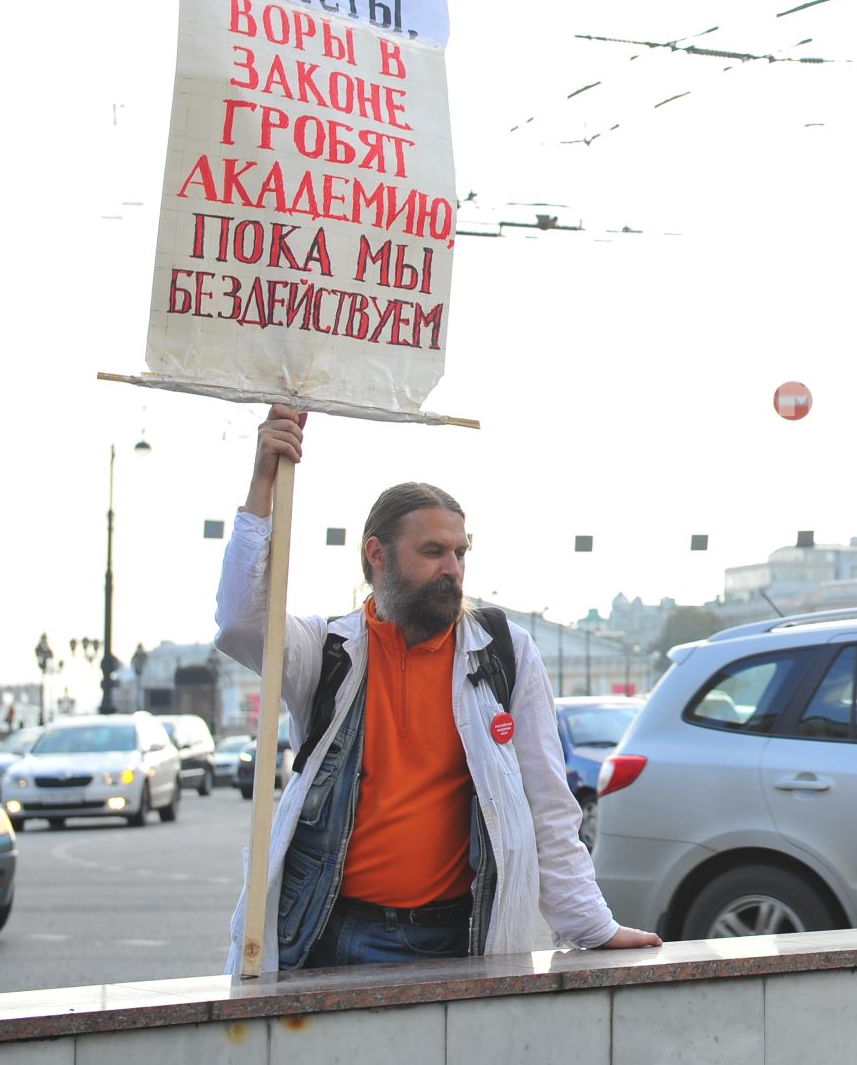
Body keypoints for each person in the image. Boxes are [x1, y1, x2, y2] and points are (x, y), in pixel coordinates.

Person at [214, 405, 660, 973]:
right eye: (433, 552)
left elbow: (548, 801)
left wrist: (591, 927)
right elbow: (239, 625)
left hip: (458, 937)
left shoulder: (504, 650)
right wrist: (263, 484)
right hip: (326, 934)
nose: (452, 567)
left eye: (460, 551)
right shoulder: (328, 652)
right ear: (377, 555)